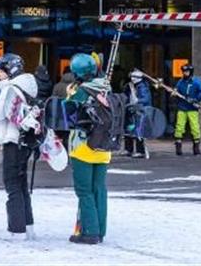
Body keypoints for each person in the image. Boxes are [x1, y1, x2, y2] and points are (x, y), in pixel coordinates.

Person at [0, 53, 41, 241]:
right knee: (22, 184)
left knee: (12, 185)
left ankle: (16, 230)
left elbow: (1, 111)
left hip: (13, 140)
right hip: (25, 141)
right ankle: (28, 226)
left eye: (0, 71)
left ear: (10, 70)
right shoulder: (27, 86)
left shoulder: (11, 89)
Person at [63, 53, 112, 245]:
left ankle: (89, 232)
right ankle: (100, 230)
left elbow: (67, 112)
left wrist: (69, 94)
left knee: (84, 191)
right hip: (104, 147)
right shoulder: (106, 88)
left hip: (83, 147)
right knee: (99, 189)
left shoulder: (81, 91)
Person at [173, 63, 201, 156]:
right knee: (179, 127)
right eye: (184, 71)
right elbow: (176, 90)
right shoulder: (180, 82)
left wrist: (196, 99)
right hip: (182, 107)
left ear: (191, 72)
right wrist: (174, 93)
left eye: (187, 71)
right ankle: (178, 146)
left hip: (192, 108)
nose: (185, 73)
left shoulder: (196, 82)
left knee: (195, 127)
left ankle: (196, 147)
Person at [124, 69, 152, 159]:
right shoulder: (131, 86)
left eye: (134, 77)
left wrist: (137, 101)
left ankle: (141, 151)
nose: (132, 79)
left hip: (140, 111)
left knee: (139, 131)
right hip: (132, 109)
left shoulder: (142, 87)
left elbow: (145, 99)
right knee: (129, 129)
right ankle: (128, 149)